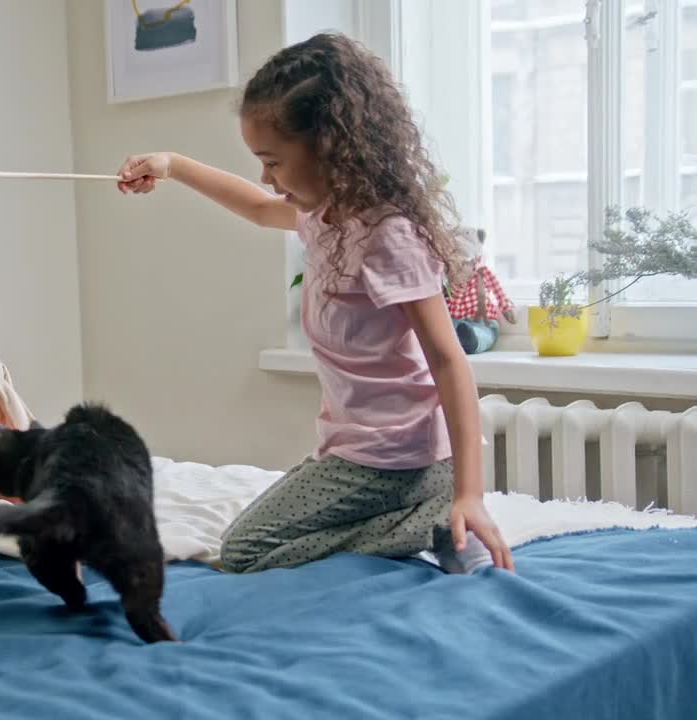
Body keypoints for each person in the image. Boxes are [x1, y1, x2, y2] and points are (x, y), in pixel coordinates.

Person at [118, 33, 514, 575]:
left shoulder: (387, 235)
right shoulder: (325, 217)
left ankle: (435, 520)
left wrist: (472, 494)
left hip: (395, 459)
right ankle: (422, 513)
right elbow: (258, 207)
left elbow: (448, 361)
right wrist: (172, 164)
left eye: (273, 161)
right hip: (358, 452)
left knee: (245, 551)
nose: (266, 176)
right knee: (265, 536)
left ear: (329, 146)